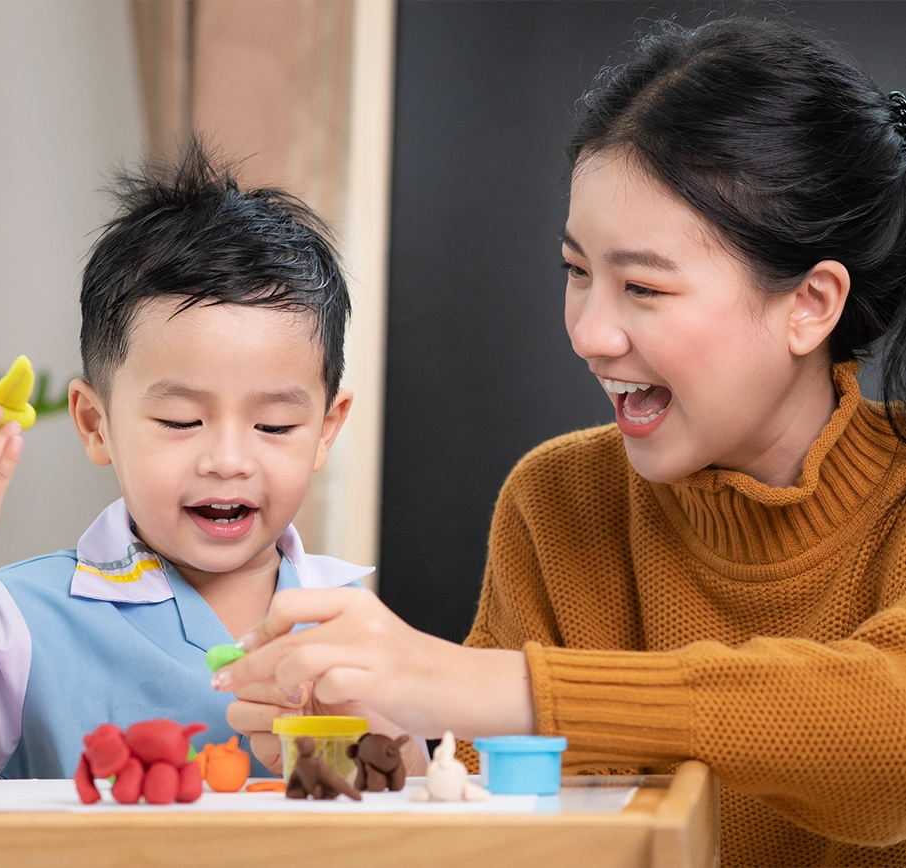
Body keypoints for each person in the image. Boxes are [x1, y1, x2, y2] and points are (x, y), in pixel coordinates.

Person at [217, 14, 906, 867]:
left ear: (809, 304)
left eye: (642, 286)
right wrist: (384, 756)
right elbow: (489, 809)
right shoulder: (558, 503)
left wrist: (490, 689)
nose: (589, 332)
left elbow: (888, 734)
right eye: (577, 272)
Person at [0, 139, 375, 780]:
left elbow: (401, 791)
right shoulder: (15, 619)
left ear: (327, 429)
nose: (227, 459)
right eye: (180, 421)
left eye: (274, 424)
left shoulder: (348, 614)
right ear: (93, 423)